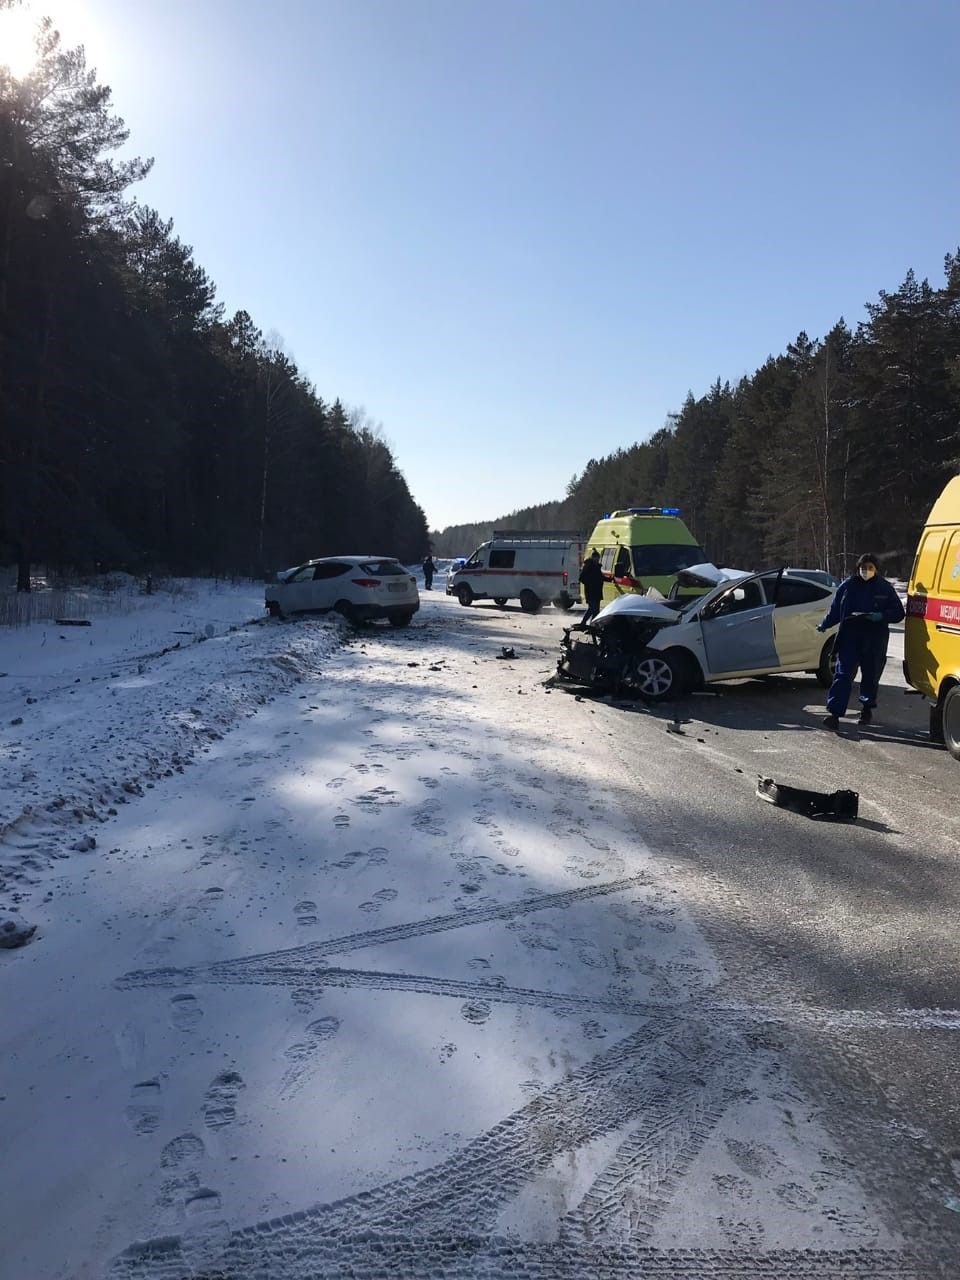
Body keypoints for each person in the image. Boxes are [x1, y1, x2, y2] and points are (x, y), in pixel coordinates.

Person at [816, 553, 905, 730]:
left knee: (870, 676)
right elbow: (836, 609)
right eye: (863, 568)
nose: (866, 571)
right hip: (850, 636)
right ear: (858, 569)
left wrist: (881, 616)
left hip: (874, 638)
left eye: (870, 568)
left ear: (876, 570)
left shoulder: (884, 588)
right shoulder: (848, 586)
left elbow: (898, 612)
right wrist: (825, 624)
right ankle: (834, 714)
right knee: (842, 675)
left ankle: (866, 708)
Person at [578, 550, 604, 624]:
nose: (597, 559)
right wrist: (590, 583)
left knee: (594, 609)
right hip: (590, 591)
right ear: (592, 558)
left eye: (598, 558)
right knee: (594, 609)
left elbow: (600, 577)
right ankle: (590, 625)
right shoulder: (588, 566)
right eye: (595, 558)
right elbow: (581, 578)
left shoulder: (597, 567)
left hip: (597, 591)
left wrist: (611, 579)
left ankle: (587, 624)